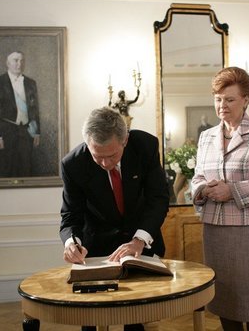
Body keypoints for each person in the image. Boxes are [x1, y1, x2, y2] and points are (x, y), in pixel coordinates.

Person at [191, 67, 249, 331]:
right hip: (215, 231)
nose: (222, 105)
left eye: (230, 99)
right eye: (218, 99)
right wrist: (202, 189)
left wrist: (232, 190)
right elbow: (197, 176)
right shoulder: (206, 137)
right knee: (225, 300)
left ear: (246, 99)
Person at [59, 107, 169, 331]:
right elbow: (71, 215)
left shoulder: (144, 146)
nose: (105, 164)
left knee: (137, 319)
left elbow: (157, 198)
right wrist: (72, 243)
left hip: (140, 245)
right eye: (97, 156)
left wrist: (139, 240)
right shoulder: (73, 164)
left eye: (112, 156)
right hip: (97, 252)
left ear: (125, 140)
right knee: (93, 321)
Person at [0, 51, 40, 177]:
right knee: (4, 169)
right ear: (7, 63)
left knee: (25, 169)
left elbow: (34, 110)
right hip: (4, 134)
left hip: (25, 133)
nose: (19, 64)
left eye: (22, 61)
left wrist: (36, 131)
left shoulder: (31, 83)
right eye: (15, 60)